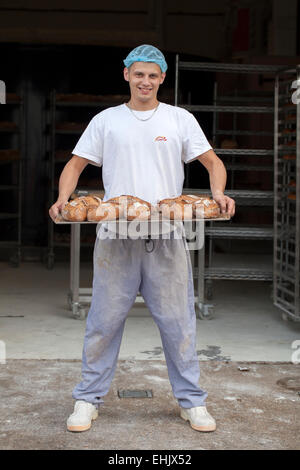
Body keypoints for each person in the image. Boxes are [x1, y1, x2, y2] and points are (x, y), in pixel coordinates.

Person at [49, 44, 235, 433]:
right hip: (116, 236)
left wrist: (218, 194)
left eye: (152, 75)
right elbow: (75, 164)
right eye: (138, 74)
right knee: (103, 321)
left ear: (162, 78)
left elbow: (213, 162)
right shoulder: (107, 120)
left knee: (179, 322)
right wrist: (63, 199)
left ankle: (192, 403)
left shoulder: (179, 119)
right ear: (126, 75)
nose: (145, 81)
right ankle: (88, 399)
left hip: (166, 236)